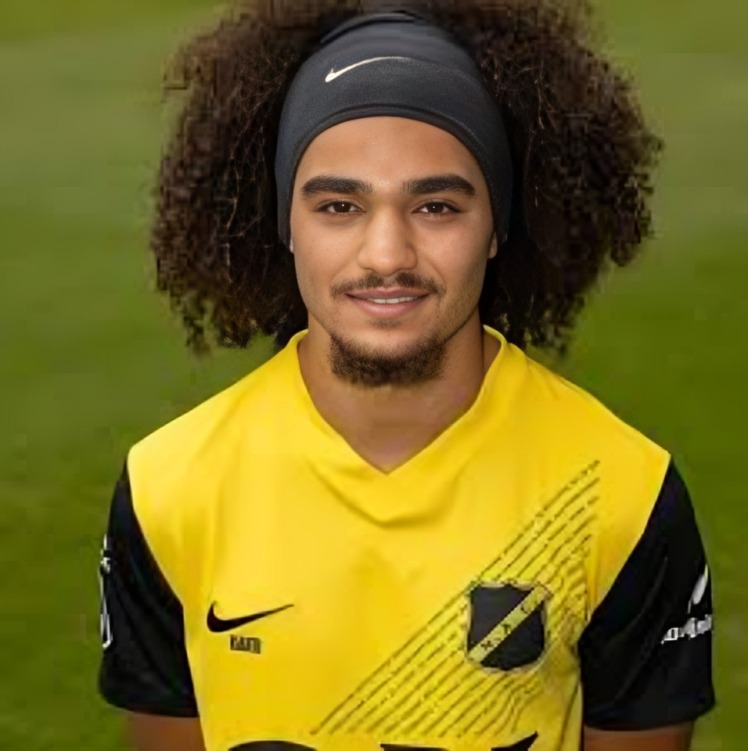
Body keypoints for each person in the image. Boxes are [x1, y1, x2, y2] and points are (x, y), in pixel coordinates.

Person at [97, 1, 715, 750]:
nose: (386, 254)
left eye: (436, 206)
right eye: (339, 205)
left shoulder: (623, 495)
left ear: (497, 228)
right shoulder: (169, 489)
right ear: (286, 224)